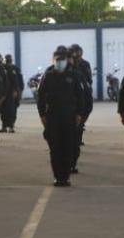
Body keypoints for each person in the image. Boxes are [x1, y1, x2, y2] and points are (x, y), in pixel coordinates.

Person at [37, 48, 86, 187]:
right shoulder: (48, 76)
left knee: (68, 147)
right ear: (53, 61)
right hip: (53, 117)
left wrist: (79, 114)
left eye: (62, 60)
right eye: (57, 60)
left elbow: (81, 96)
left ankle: (66, 176)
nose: (60, 63)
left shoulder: (74, 75)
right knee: (55, 148)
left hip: (69, 117)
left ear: (66, 61)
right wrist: (42, 114)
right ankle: (58, 177)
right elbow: (41, 97)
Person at [70, 43, 94, 172]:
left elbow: (89, 80)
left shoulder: (84, 65)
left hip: (81, 98)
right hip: (65, 107)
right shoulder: (56, 71)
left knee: (77, 132)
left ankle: (72, 163)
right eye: (73, 52)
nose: (76, 55)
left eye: (78, 52)